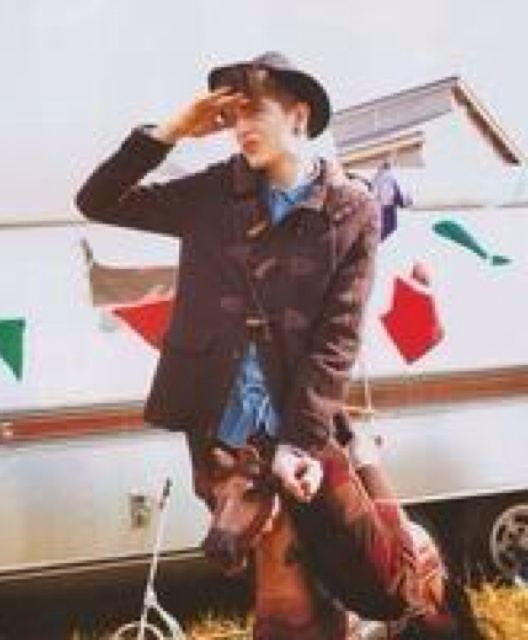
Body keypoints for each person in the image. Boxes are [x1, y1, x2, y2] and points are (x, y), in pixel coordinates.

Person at [76, 52, 475, 638]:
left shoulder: (352, 208)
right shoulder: (212, 193)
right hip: (222, 437)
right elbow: (97, 201)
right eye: (232, 116)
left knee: (384, 587)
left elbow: (337, 336)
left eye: (253, 112)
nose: (240, 128)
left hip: (301, 427)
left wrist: (299, 444)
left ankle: (370, 476)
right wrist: (174, 129)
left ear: (298, 115)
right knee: (282, 602)